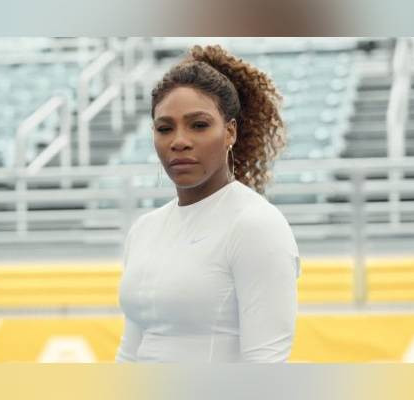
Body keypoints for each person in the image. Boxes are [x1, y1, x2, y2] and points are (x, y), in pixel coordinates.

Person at [116, 44, 300, 363]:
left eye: (199, 125)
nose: (179, 141)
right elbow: (130, 352)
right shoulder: (144, 229)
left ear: (230, 132)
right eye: (165, 128)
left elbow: (265, 366)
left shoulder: (256, 226)